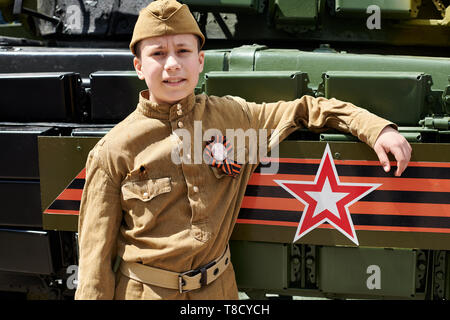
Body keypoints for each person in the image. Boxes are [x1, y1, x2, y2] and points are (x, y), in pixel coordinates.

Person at [74, 0, 411, 300]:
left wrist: (374, 128)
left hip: (219, 290)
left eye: (183, 51)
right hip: (145, 292)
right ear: (138, 66)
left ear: (200, 60)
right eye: (158, 54)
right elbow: (94, 263)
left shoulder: (233, 117)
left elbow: (306, 108)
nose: (172, 64)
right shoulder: (114, 150)